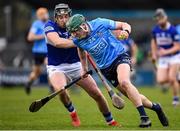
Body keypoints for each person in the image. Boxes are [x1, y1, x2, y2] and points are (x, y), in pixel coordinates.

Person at [61, 14, 169, 128]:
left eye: (75, 31)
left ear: (83, 26)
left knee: (125, 82)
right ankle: (156, 107)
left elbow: (124, 24)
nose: (74, 35)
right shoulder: (78, 40)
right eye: (72, 33)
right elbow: (82, 53)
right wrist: (84, 68)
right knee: (132, 95)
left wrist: (126, 31)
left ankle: (144, 118)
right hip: (106, 69)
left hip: (119, 57)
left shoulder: (100, 22)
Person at [44, 3, 119, 127]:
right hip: (57, 67)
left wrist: (86, 41)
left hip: (76, 66)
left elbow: (92, 36)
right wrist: (81, 41)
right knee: (60, 90)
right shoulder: (49, 26)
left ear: (70, 16)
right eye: (60, 17)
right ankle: (73, 112)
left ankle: (111, 121)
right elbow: (57, 43)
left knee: (97, 94)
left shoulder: (77, 26)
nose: (64, 20)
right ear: (56, 18)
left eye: (66, 16)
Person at [151, 9, 180, 105]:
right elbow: (154, 43)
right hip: (163, 58)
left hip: (174, 57)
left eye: (160, 19)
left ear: (165, 18)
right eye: (157, 20)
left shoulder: (173, 30)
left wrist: (166, 51)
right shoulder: (155, 30)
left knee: (172, 78)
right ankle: (178, 77)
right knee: (160, 80)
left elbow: (177, 46)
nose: (158, 21)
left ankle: (175, 98)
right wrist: (154, 54)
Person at [26, 7, 52, 94]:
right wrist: (43, 36)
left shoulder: (49, 23)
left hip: (47, 51)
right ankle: (29, 83)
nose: (45, 15)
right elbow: (30, 37)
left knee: (50, 67)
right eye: (43, 14)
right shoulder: (36, 24)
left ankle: (51, 88)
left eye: (46, 13)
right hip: (37, 52)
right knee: (36, 73)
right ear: (39, 16)